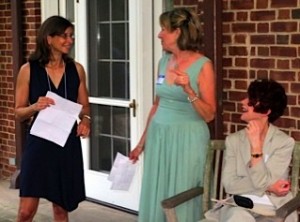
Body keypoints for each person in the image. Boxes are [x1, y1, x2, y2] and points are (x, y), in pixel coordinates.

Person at [129, 8, 216, 222]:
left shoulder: (203, 65)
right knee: (158, 191)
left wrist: (189, 91)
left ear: (177, 32)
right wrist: (141, 144)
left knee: (183, 192)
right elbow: (156, 105)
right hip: (159, 138)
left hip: (187, 139)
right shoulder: (163, 61)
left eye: (163, 30)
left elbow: (210, 115)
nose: (159, 35)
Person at [15, 16, 90, 222]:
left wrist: (86, 120)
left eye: (71, 36)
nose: (70, 40)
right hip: (39, 143)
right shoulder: (28, 70)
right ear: (49, 38)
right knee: (25, 212)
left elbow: (85, 107)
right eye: (64, 36)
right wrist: (34, 106)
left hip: (66, 143)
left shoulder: (77, 69)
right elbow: (18, 112)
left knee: (61, 209)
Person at [203, 79, 298, 222]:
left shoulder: (283, 143)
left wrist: (256, 148)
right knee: (238, 217)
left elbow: (263, 182)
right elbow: (229, 184)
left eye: (251, 100)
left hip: (273, 211)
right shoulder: (233, 140)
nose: (243, 102)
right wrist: (270, 187)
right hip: (239, 206)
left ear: (266, 110)